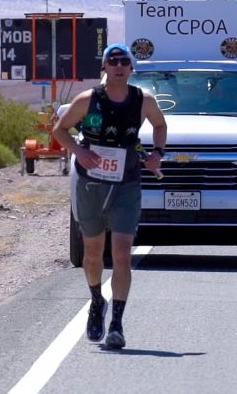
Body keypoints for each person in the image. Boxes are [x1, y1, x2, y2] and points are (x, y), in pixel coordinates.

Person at [51, 43, 167, 349]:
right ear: (104, 67)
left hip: (126, 184)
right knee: (92, 253)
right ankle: (95, 301)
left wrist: (157, 153)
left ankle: (116, 322)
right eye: (113, 61)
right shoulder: (88, 100)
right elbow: (60, 130)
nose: (119, 66)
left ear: (131, 68)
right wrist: (79, 151)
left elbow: (160, 125)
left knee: (121, 254)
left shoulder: (144, 100)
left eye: (124, 62)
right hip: (91, 184)